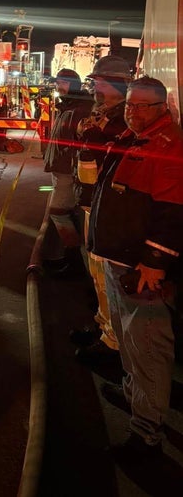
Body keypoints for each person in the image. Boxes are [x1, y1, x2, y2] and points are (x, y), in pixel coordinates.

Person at [87, 76, 183, 462]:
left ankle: (146, 434)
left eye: (142, 106)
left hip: (140, 269)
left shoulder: (170, 147)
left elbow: (174, 214)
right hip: (119, 259)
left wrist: (155, 263)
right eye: (129, 104)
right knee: (129, 342)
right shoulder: (135, 138)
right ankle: (134, 397)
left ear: (163, 108)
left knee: (147, 347)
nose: (132, 111)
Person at [70, 55, 132, 365]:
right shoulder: (104, 112)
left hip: (104, 205)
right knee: (96, 270)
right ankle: (102, 324)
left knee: (105, 272)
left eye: (99, 81)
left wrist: (94, 135)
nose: (94, 85)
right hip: (90, 200)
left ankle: (112, 344)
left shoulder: (124, 118)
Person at [41, 68, 93, 275]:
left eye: (61, 83)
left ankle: (75, 262)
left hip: (67, 172)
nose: (57, 86)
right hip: (61, 169)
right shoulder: (68, 107)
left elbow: (80, 145)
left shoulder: (79, 110)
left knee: (58, 212)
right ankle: (72, 259)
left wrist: (72, 170)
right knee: (67, 213)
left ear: (71, 84)